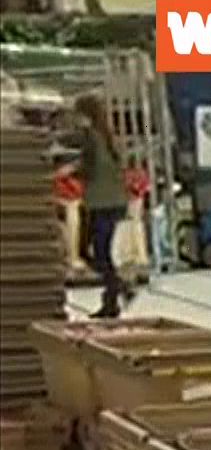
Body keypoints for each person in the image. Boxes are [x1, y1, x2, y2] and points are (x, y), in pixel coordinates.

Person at [72, 92, 129, 318]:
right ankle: (113, 293)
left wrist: (69, 170)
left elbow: (89, 170)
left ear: (85, 115)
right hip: (113, 202)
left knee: (94, 252)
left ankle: (116, 288)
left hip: (100, 203)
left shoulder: (91, 138)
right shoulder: (107, 137)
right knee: (99, 251)